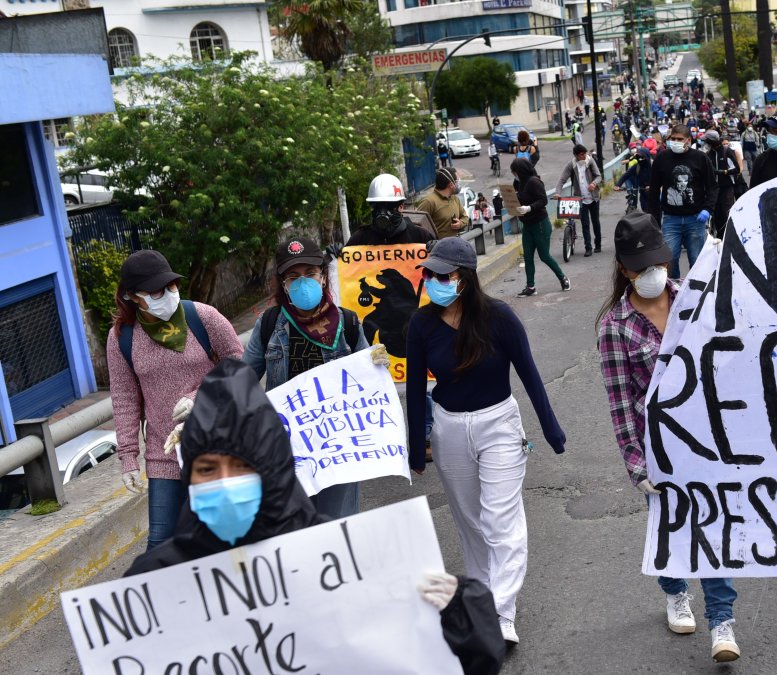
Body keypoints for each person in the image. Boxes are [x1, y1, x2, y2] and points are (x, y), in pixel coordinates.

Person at [125, 359, 507, 675]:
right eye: (207, 470)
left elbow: (445, 660)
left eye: (240, 468)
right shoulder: (156, 579)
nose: (224, 484)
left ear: (271, 469)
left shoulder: (346, 560)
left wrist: (459, 615)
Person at [405, 237, 567, 646]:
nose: (436, 281)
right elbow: (413, 386)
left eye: (446, 275)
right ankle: (480, 603)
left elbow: (529, 374)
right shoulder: (421, 324)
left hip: (499, 426)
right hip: (449, 428)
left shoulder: (499, 318)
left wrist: (551, 429)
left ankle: (501, 612)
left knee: (500, 521)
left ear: (466, 278)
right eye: (431, 273)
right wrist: (414, 447)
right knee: (470, 523)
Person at [596, 213, 740, 663]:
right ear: (624, 269)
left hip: (708, 437)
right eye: (641, 268)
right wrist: (635, 465)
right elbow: (621, 402)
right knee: (674, 527)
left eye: (658, 262)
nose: (653, 274)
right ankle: (675, 591)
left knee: (713, 527)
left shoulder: (695, 300)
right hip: (658, 448)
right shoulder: (615, 327)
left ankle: (722, 622)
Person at [241, 238, 390, 518]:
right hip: (289, 450)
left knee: (338, 524)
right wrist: (202, 406)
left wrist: (377, 364)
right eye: (293, 277)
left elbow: (370, 385)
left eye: (310, 274)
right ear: (283, 284)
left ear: (323, 277)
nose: (303, 283)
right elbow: (241, 379)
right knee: (296, 531)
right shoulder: (270, 324)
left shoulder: (347, 322)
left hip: (338, 445)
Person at [108, 250, 244, 550]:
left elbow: (237, 363)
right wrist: (128, 456)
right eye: (155, 292)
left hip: (217, 442)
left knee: (227, 536)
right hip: (164, 453)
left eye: (170, 287)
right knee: (161, 543)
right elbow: (124, 398)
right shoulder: (122, 338)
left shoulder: (202, 317)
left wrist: (201, 397)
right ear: (131, 296)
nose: (167, 295)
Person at [646, 124, 717, 279]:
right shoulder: (662, 158)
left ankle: (696, 294)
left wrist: (707, 209)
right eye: (673, 139)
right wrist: (654, 220)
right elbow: (653, 191)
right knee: (669, 261)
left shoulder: (700, 158)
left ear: (688, 140)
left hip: (696, 219)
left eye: (680, 139)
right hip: (671, 219)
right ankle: (675, 293)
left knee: (696, 259)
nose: (676, 142)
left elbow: (712, 187)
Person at [511, 158, 570, 296]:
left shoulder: (533, 181)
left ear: (520, 171)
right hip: (527, 224)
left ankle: (563, 278)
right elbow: (521, 198)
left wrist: (529, 208)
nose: (514, 174)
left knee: (544, 255)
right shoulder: (520, 183)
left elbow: (543, 200)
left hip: (540, 224)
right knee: (528, 257)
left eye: (515, 171)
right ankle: (530, 286)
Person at [348, 173, 436, 247]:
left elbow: (441, 264)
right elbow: (345, 264)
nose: (382, 212)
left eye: (389, 205)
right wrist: (338, 254)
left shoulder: (419, 236)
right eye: (377, 206)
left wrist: (436, 249)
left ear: (401, 207)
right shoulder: (361, 238)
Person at [556, 144, 604, 256]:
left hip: (593, 197)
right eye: (582, 154)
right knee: (585, 223)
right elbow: (562, 180)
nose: (584, 156)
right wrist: (558, 192)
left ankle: (598, 245)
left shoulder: (590, 161)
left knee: (595, 221)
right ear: (576, 155)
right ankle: (588, 247)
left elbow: (598, 176)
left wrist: (593, 183)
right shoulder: (571, 165)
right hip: (580, 199)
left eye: (585, 153)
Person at [701, 129, 741, 238]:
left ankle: (729, 238)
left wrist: (722, 172)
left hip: (726, 188)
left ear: (712, 141)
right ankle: (719, 237)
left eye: (707, 141)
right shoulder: (708, 154)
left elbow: (737, 169)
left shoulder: (726, 151)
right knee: (716, 214)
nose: (706, 144)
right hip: (713, 189)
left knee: (726, 213)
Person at [416, 167, 468, 239]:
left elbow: (465, 217)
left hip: (455, 244)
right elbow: (416, 224)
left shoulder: (455, 198)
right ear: (450, 185)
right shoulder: (429, 201)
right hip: (437, 248)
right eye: (457, 181)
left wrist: (460, 224)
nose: (458, 184)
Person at [615, 146, 654, 212]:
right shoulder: (637, 167)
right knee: (645, 210)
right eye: (638, 157)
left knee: (654, 212)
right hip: (643, 192)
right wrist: (618, 185)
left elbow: (661, 178)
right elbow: (626, 175)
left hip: (654, 193)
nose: (640, 159)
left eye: (642, 157)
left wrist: (652, 186)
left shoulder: (654, 165)